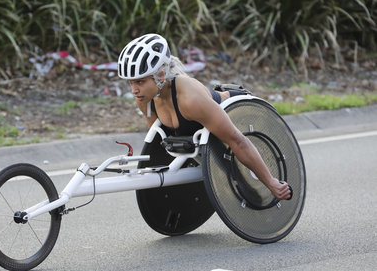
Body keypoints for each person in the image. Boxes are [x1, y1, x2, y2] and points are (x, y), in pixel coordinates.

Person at [117, 33, 292, 201]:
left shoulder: (190, 100)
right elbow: (163, 140)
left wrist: (271, 183)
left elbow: (237, 140)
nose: (134, 90)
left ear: (160, 76)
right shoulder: (145, 100)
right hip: (200, 131)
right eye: (130, 82)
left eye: (140, 82)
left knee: (241, 184)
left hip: (234, 111)